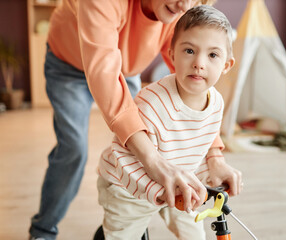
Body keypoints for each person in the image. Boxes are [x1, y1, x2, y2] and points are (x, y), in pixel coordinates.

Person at [29, 0, 242, 239]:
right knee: (74, 149)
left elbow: (193, 93)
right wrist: (155, 164)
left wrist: (214, 156)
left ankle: (130, 220)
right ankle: (43, 230)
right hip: (69, 63)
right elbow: (104, 75)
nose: (184, 3)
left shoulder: (181, 8)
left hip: (126, 67)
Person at [97, 5, 242, 239]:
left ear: (226, 65)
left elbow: (198, 143)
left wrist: (215, 162)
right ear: (172, 54)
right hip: (129, 189)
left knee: (195, 235)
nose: (199, 63)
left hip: (180, 185)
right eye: (189, 51)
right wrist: (161, 191)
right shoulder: (151, 102)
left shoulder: (216, 103)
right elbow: (123, 156)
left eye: (213, 55)